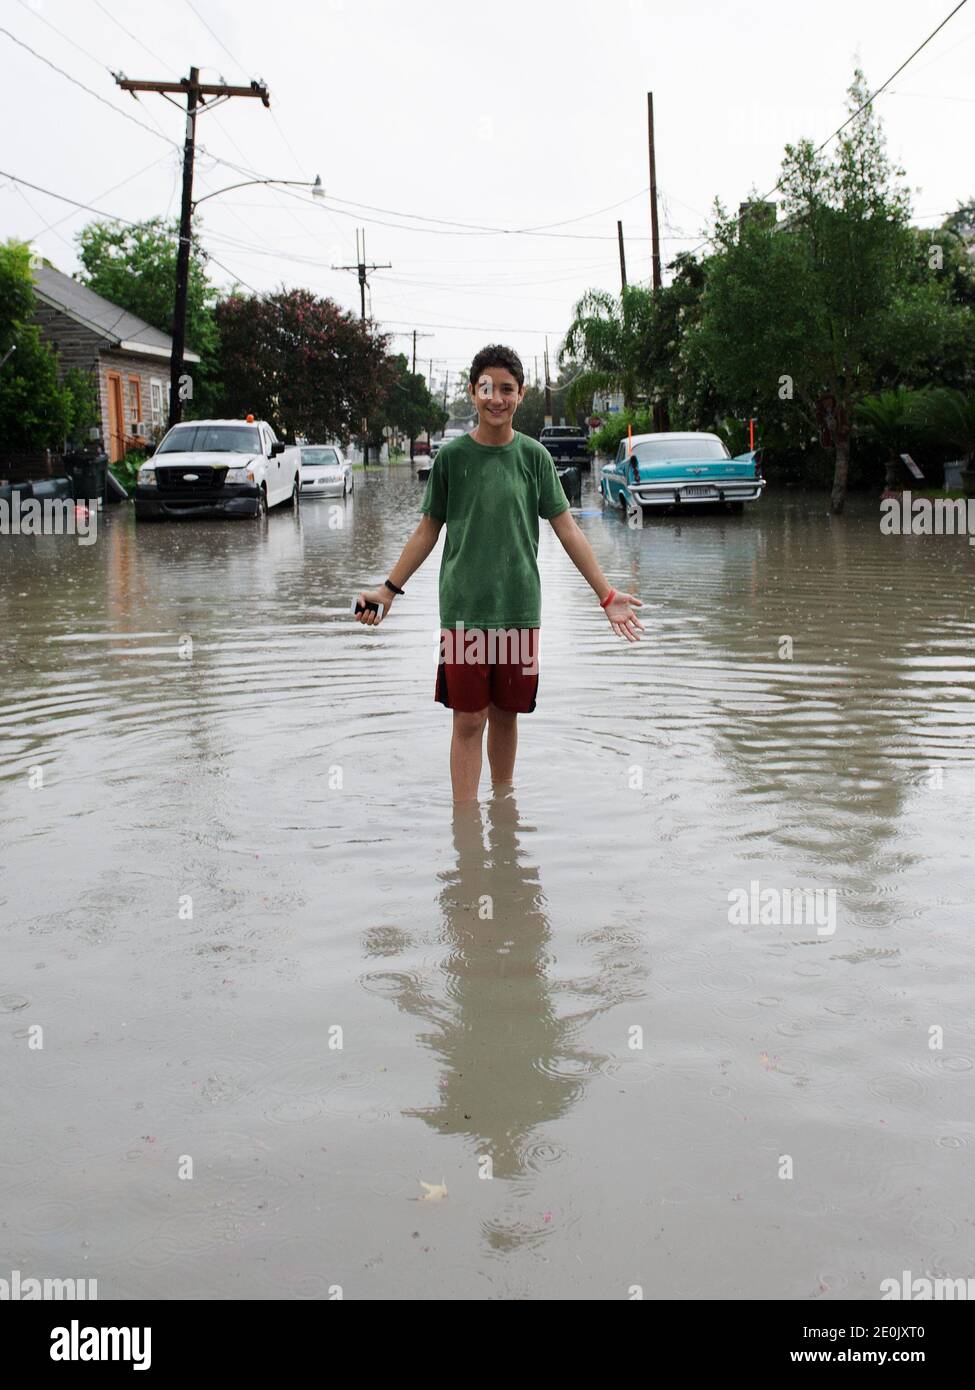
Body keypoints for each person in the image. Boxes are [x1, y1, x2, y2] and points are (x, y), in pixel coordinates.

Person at [355, 343, 643, 802]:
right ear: (472, 392)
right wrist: (388, 590)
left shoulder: (534, 458)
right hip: (465, 610)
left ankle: (503, 809)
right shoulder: (451, 460)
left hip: (519, 608)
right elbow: (427, 532)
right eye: (487, 388)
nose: (497, 399)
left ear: (521, 395)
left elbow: (567, 530)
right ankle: (465, 822)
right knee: (469, 719)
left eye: (506, 389)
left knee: (507, 714)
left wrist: (607, 596)